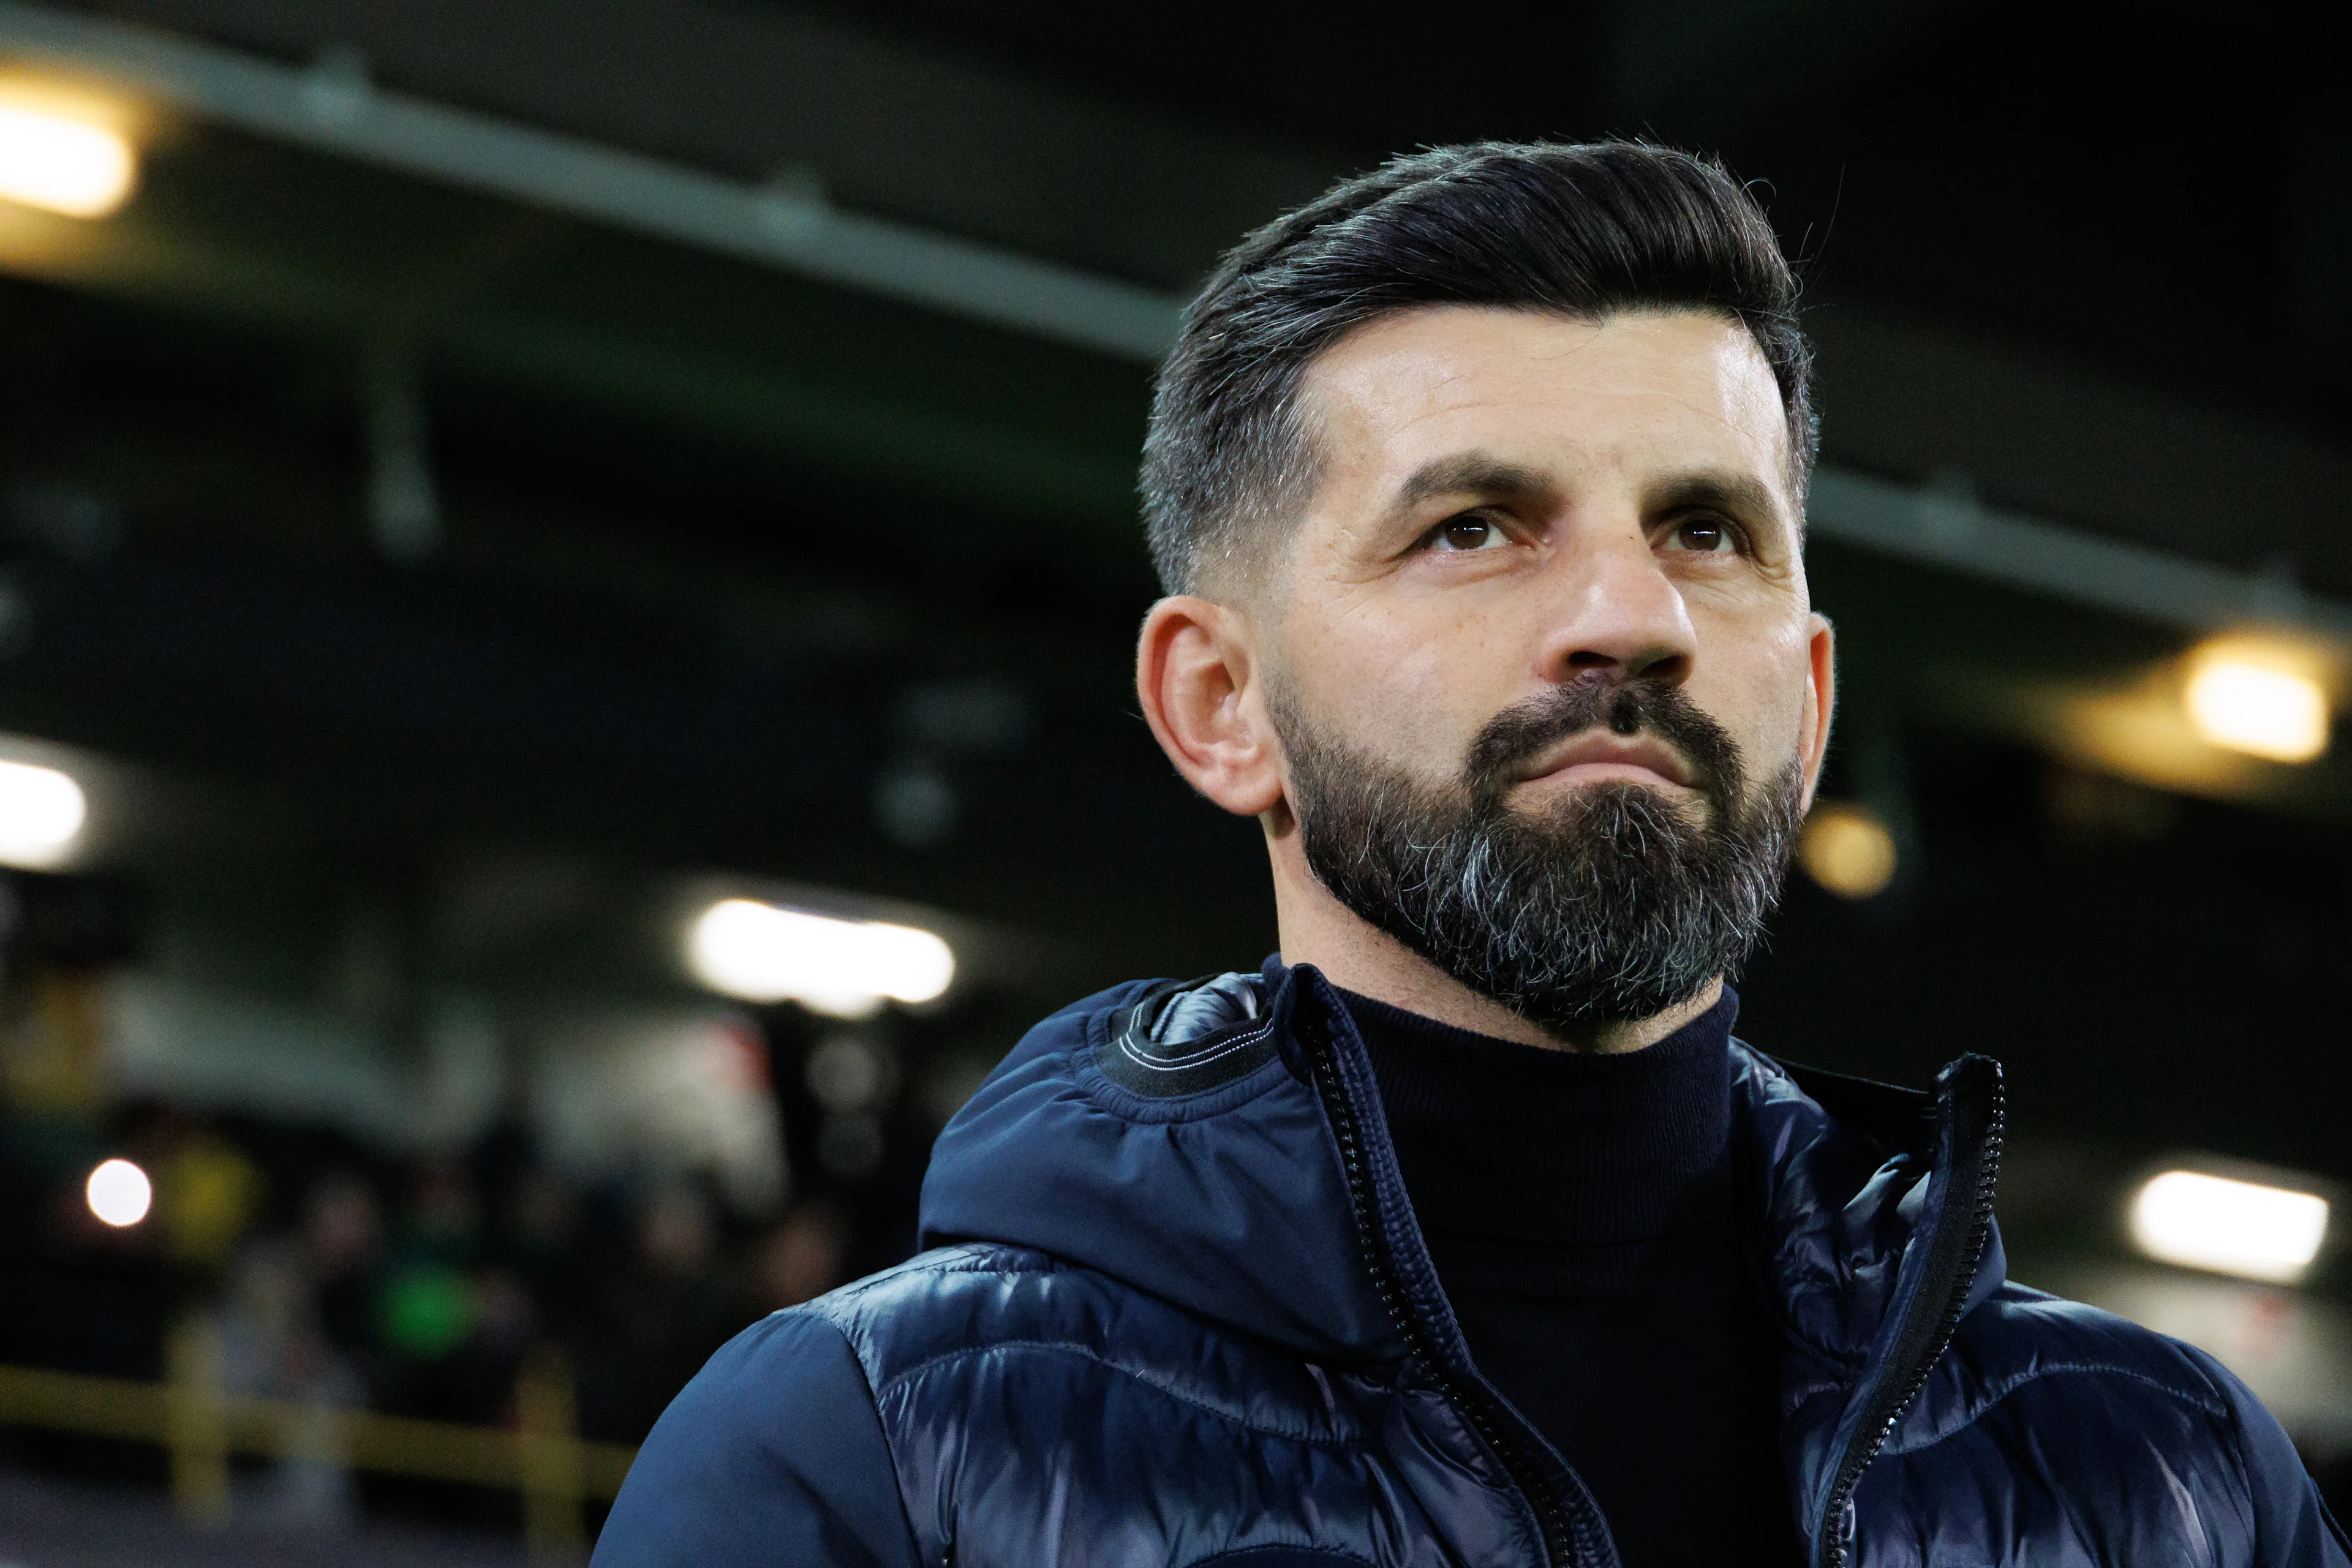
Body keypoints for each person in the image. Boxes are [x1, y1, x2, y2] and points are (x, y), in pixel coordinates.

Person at [594, 142, 2349, 1567]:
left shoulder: (2167, 1480)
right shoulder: (871, 1456)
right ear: (1221, 704)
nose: (1629, 617)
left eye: (1707, 530)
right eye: (1476, 528)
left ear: (1808, 704)